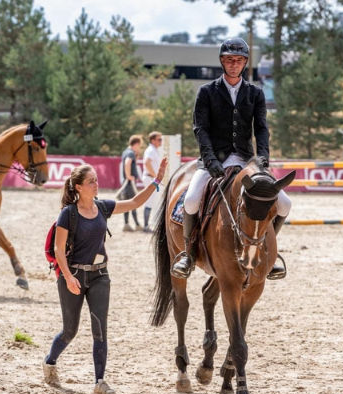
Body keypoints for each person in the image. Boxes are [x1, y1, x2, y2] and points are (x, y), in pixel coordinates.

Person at [42, 158, 167, 394]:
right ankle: (50, 362)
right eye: (91, 182)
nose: (96, 185)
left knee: (100, 329)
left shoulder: (103, 207)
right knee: (70, 330)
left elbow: (134, 202)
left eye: (96, 181)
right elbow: (59, 250)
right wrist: (68, 277)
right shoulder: (67, 214)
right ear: (78, 187)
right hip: (74, 276)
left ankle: (100, 381)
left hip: (100, 275)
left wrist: (157, 181)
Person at [170, 37, 292, 280]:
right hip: (214, 160)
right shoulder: (206, 92)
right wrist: (210, 159)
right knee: (192, 200)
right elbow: (200, 129)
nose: (233, 64)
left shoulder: (254, 93)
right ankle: (189, 253)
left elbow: (261, 129)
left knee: (285, 203)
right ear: (222, 62)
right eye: (229, 60)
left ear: (245, 63)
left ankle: (269, 251)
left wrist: (263, 158)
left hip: (247, 160)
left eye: (238, 60)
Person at [116, 135, 143, 232]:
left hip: (126, 184)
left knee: (126, 204)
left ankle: (127, 224)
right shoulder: (130, 153)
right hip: (129, 183)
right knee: (133, 203)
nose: (139, 147)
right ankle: (137, 224)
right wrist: (128, 175)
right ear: (136, 144)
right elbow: (128, 163)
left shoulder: (125, 152)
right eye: (139, 145)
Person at [141, 131, 163, 233]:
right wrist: (155, 176)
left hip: (151, 178)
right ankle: (145, 226)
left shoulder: (154, 150)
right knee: (149, 202)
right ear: (153, 140)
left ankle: (148, 225)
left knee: (153, 201)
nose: (161, 141)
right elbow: (147, 163)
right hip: (150, 178)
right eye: (159, 139)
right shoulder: (151, 150)